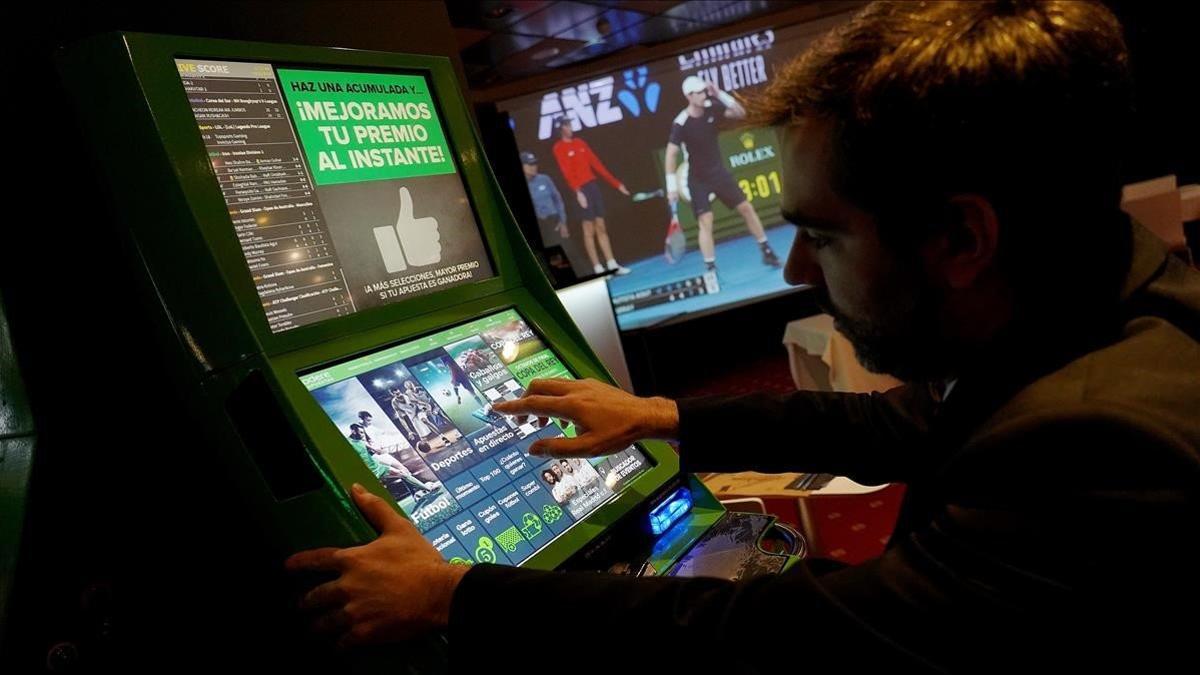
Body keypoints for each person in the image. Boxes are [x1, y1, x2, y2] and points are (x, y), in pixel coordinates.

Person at [287, 3, 1200, 672]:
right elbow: (897, 427)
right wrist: (662, 413)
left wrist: (454, 594)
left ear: (962, 238)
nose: (800, 269)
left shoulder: (1100, 445)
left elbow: (801, 641)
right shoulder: (1096, 302)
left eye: (827, 233)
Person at [666, 75, 782, 277]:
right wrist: (671, 187)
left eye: (704, 91)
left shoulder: (712, 107)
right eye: (700, 92)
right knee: (706, 221)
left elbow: (740, 113)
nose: (704, 94)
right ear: (689, 96)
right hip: (698, 179)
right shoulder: (681, 123)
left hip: (718, 173)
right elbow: (671, 154)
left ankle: (767, 251)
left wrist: (719, 94)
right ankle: (710, 268)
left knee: (746, 208)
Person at [550, 117, 633, 276]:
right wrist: (578, 192)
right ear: (561, 129)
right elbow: (566, 172)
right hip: (580, 190)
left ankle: (612, 264)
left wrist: (617, 184)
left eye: (570, 124)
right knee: (588, 230)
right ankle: (597, 268)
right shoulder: (558, 148)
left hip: (593, 187)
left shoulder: (580, 143)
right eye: (567, 125)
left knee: (601, 226)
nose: (571, 127)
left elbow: (597, 165)